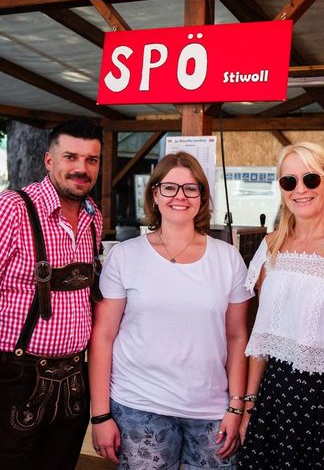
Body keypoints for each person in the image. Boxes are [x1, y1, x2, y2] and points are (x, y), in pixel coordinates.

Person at [89, 151, 253, 469]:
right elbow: (103, 336)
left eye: (191, 188)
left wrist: (237, 407)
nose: (180, 196)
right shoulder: (125, 256)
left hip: (211, 410)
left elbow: (237, 337)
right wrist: (100, 414)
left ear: (203, 197)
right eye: (170, 187)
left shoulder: (228, 258)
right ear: (154, 194)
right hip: (138, 405)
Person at [239, 142, 324, 470]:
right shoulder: (271, 246)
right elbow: (262, 338)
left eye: (310, 179)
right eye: (289, 182)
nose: (300, 189)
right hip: (273, 397)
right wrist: (248, 406)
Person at [0, 117, 104, 470]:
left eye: (91, 160)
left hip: (74, 380)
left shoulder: (94, 218)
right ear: (49, 160)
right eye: (70, 157)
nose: (81, 169)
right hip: (16, 377)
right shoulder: (13, 209)